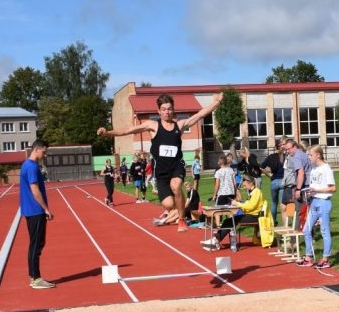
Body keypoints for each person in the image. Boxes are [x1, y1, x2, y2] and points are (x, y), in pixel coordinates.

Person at [98, 92, 223, 232]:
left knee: (176, 186)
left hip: (176, 165)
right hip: (161, 172)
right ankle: (176, 209)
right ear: (159, 111)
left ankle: (181, 220)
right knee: (169, 205)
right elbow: (128, 130)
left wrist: (217, 102)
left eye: (169, 109)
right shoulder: (153, 126)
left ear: (173, 109)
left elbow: (200, 114)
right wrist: (107, 133)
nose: (167, 112)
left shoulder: (180, 125)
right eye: (164, 109)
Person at [20, 140, 55, 289]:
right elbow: (35, 191)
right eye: (44, 151)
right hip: (35, 210)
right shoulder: (31, 167)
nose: (45, 155)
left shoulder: (27, 165)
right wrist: (46, 208)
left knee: (36, 243)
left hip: (32, 210)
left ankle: (34, 276)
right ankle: (35, 278)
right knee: (36, 244)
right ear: (37, 149)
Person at [296, 145, 336, 268]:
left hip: (324, 202)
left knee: (324, 231)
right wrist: (309, 192)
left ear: (318, 155)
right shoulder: (313, 169)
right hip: (313, 202)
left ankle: (325, 259)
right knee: (306, 229)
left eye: (310, 155)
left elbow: (333, 188)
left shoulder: (326, 168)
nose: (308, 157)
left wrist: (316, 190)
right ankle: (308, 257)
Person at [201, 174, 265, 250]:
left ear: (250, 183)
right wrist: (239, 204)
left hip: (255, 216)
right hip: (251, 215)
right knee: (228, 221)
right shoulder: (253, 192)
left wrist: (238, 204)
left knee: (231, 221)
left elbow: (251, 206)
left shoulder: (256, 192)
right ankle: (216, 240)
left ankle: (216, 241)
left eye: (245, 186)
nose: (244, 188)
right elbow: (249, 205)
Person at [261, 139, 285, 225]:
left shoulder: (270, 157)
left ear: (275, 147)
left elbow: (261, 167)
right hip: (283, 181)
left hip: (274, 181)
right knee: (283, 204)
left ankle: (273, 221)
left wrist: (268, 174)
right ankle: (284, 224)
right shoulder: (287, 157)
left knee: (274, 203)